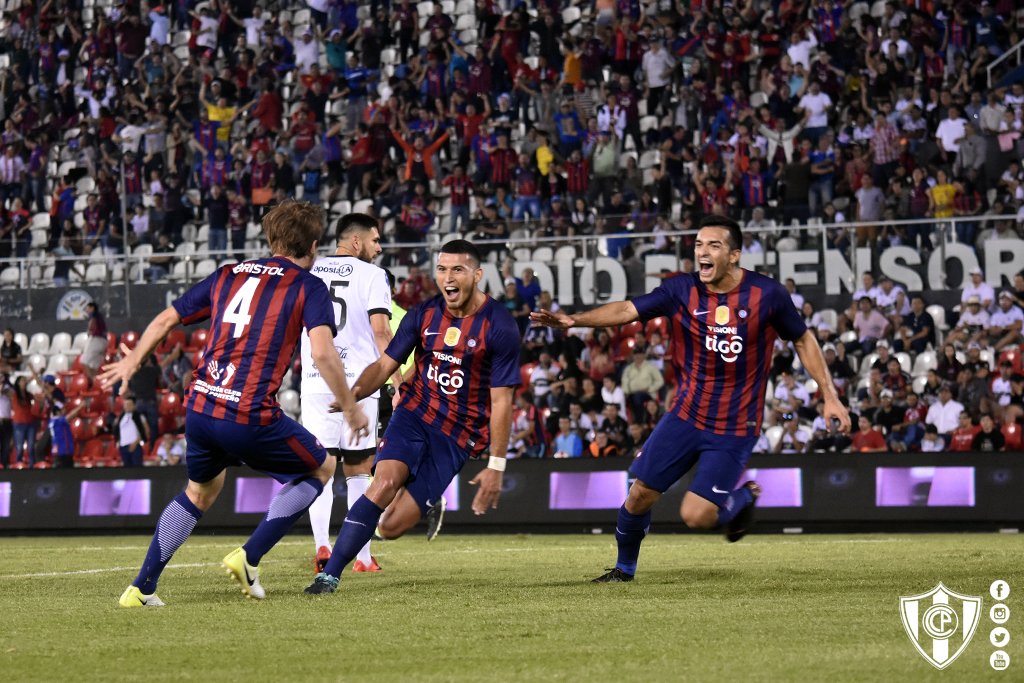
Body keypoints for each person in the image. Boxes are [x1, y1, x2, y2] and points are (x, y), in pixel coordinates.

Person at [529, 215, 851, 582]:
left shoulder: (768, 294)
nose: (703, 252)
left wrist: (829, 395)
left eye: (714, 245)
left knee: (695, 516)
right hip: (686, 415)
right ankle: (623, 570)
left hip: (734, 425)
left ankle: (744, 497)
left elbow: (803, 339)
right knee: (639, 495)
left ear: (734, 255)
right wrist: (575, 321)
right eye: (698, 244)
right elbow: (627, 309)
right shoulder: (680, 290)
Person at [101, 200, 368, 608]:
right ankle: (249, 556)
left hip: (202, 406)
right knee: (322, 467)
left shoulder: (229, 273)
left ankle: (141, 589)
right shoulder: (307, 285)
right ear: (314, 246)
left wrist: (132, 361)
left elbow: (166, 319)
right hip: (247, 412)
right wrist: (350, 406)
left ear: (271, 239)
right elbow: (322, 353)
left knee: (200, 491)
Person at [305, 240, 521, 595]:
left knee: (390, 526)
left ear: (477, 275)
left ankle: (427, 499)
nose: (447, 278)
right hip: (414, 414)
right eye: (442, 269)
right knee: (383, 483)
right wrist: (351, 396)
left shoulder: (499, 326)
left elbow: (502, 401)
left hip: (456, 434)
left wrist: (496, 465)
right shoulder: (424, 314)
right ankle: (329, 576)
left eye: (457, 270)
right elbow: (384, 365)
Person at [300, 213, 405, 576]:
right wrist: (397, 381)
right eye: (375, 241)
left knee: (321, 468)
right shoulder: (373, 275)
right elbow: (381, 332)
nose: (379, 248)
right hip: (360, 383)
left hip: (316, 380)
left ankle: (322, 546)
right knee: (359, 469)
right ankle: (362, 556)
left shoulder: (311, 270)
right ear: (357, 241)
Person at [81, 302, 108, 379]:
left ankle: (93, 381)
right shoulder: (100, 316)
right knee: (94, 365)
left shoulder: (93, 316)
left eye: (88, 308)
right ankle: (97, 381)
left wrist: (89, 331)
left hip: (96, 341)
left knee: (84, 361)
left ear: (92, 308)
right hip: (104, 341)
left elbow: (91, 327)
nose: (86, 310)